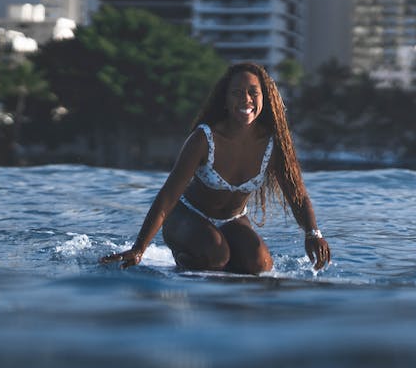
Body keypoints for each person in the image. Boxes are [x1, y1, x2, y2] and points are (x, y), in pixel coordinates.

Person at [100, 62, 331, 274]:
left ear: (265, 97)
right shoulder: (203, 138)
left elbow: (298, 196)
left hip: (234, 220)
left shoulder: (274, 143)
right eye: (237, 93)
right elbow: (167, 197)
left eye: (253, 92)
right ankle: (184, 261)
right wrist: (139, 248)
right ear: (226, 100)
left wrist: (313, 234)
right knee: (216, 255)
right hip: (186, 217)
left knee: (259, 265)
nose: (246, 99)